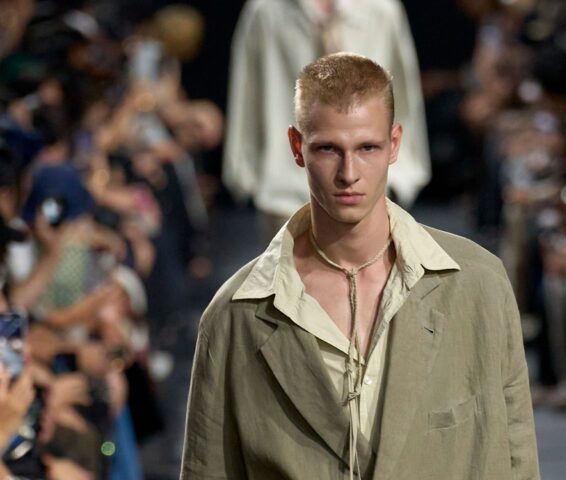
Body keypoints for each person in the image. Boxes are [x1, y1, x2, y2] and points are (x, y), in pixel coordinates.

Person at [182, 53, 539, 479]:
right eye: (328, 149)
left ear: (394, 144)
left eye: (367, 148)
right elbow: (208, 468)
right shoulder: (235, 315)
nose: (349, 173)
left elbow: (517, 455)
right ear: (297, 147)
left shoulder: (478, 284)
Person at [223, 0, 430, 242]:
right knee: (291, 266)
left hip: (367, 191)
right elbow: (246, 93)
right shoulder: (266, 10)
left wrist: (402, 174)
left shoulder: (381, 9)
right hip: (284, 192)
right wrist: (245, 175)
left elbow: (403, 97)